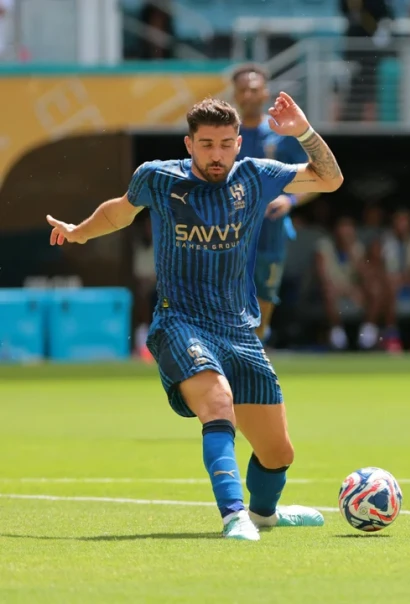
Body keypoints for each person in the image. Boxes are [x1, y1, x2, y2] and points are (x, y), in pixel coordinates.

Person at [46, 93, 344, 541]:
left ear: (239, 143)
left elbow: (330, 179)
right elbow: (119, 212)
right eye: (206, 144)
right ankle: (234, 515)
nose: (216, 154)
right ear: (189, 144)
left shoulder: (256, 176)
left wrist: (302, 130)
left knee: (278, 453)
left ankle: (265, 513)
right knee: (218, 404)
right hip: (179, 322)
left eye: (225, 144)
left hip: (238, 329)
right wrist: (80, 232)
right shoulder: (159, 178)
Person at [232, 63, 312, 343]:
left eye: (253, 89)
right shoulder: (226, 137)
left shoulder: (282, 134)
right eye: (242, 90)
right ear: (235, 95)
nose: (248, 95)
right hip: (230, 233)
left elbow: (317, 178)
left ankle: (256, 358)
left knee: (263, 302)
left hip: (270, 232)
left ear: (265, 93)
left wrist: (289, 199)